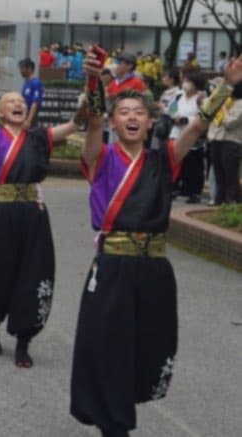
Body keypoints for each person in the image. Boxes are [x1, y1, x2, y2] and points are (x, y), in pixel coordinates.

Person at [70, 55, 242, 436]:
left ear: (151, 122)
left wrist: (228, 86)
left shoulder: (164, 160)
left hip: (154, 269)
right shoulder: (100, 158)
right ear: (114, 122)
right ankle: (114, 424)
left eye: (139, 112)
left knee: (148, 345)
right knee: (110, 345)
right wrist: (94, 81)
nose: (132, 117)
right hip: (113, 266)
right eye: (124, 112)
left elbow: (197, 127)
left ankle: (120, 408)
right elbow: (93, 121)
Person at [0, 72, 82, 368]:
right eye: (11, 102)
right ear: (0, 112)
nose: (18, 104)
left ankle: (23, 341)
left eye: (21, 101)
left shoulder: (39, 138)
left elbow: (73, 126)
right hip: (3, 212)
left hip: (34, 213)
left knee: (33, 273)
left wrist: (88, 100)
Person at [168, 72, 207, 203]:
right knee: (176, 162)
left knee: (193, 165)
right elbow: (171, 110)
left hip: (192, 136)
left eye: (188, 81)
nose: (185, 84)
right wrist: (174, 117)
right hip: (176, 133)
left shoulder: (200, 98)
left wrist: (187, 119)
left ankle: (194, 192)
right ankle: (175, 187)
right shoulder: (179, 96)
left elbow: (204, 115)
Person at [207, 81, 242, 205]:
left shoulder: (240, 104)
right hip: (216, 139)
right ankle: (219, 200)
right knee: (219, 175)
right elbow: (207, 115)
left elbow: (229, 122)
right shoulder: (224, 101)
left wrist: (223, 108)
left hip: (231, 142)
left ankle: (231, 202)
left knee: (231, 176)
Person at [19, 57, 44, 128]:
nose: (20, 71)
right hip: (24, 116)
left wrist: (29, 121)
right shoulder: (27, 83)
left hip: (31, 119)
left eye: (22, 68)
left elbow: (35, 103)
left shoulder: (36, 83)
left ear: (29, 68)